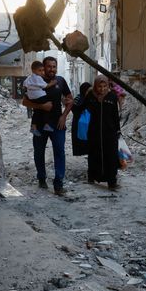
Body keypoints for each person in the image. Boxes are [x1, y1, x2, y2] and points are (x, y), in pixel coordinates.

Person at [21, 56, 73, 195]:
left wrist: (64, 116)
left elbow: (70, 99)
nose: (52, 69)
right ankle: (41, 178)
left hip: (57, 123)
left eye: (54, 66)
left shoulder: (60, 81)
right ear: (43, 68)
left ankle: (58, 184)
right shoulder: (35, 80)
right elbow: (24, 102)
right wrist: (41, 106)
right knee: (39, 151)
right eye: (49, 66)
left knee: (60, 152)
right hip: (38, 123)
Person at [73, 75, 121, 190]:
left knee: (111, 156)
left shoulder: (112, 96)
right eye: (100, 86)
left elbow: (115, 115)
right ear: (95, 86)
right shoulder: (90, 96)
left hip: (109, 132)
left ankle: (112, 181)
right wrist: (72, 104)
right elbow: (80, 108)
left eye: (105, 86)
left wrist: (118, 130)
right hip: (94, 131)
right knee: (94, 154)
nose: (102, 89)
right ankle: (92, 176)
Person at [23, 60, 57, 136]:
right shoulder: (38, 78)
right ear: (33, 70)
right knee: (50, 105)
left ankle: (33, 126)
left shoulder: (29, 77)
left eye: (43, 70)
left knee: (37, 111)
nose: (42, 72)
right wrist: (52, 83)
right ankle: (47, 124)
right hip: (39, 96)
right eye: (40, 70)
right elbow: (45, 86)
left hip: (32, 97)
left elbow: (25, 84)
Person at [71, 82, 92, 165]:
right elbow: (75, 110)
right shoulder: (78, 98)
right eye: (87, 91)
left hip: (91, 125)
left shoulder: (93, 98)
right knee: (83, 141)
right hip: (80, 125)